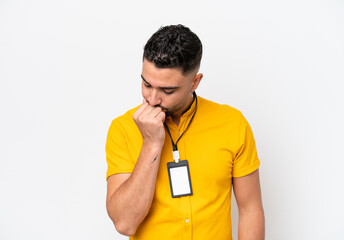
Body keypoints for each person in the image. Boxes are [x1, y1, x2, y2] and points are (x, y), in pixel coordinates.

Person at [105, 24, 265, 240]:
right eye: (146, 84)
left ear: (194, 82)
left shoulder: (232, 123)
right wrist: (151, 144)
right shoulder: (122, 129)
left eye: (167, 90)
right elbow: (125, 224)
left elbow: (250, 210)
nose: (152, 99)